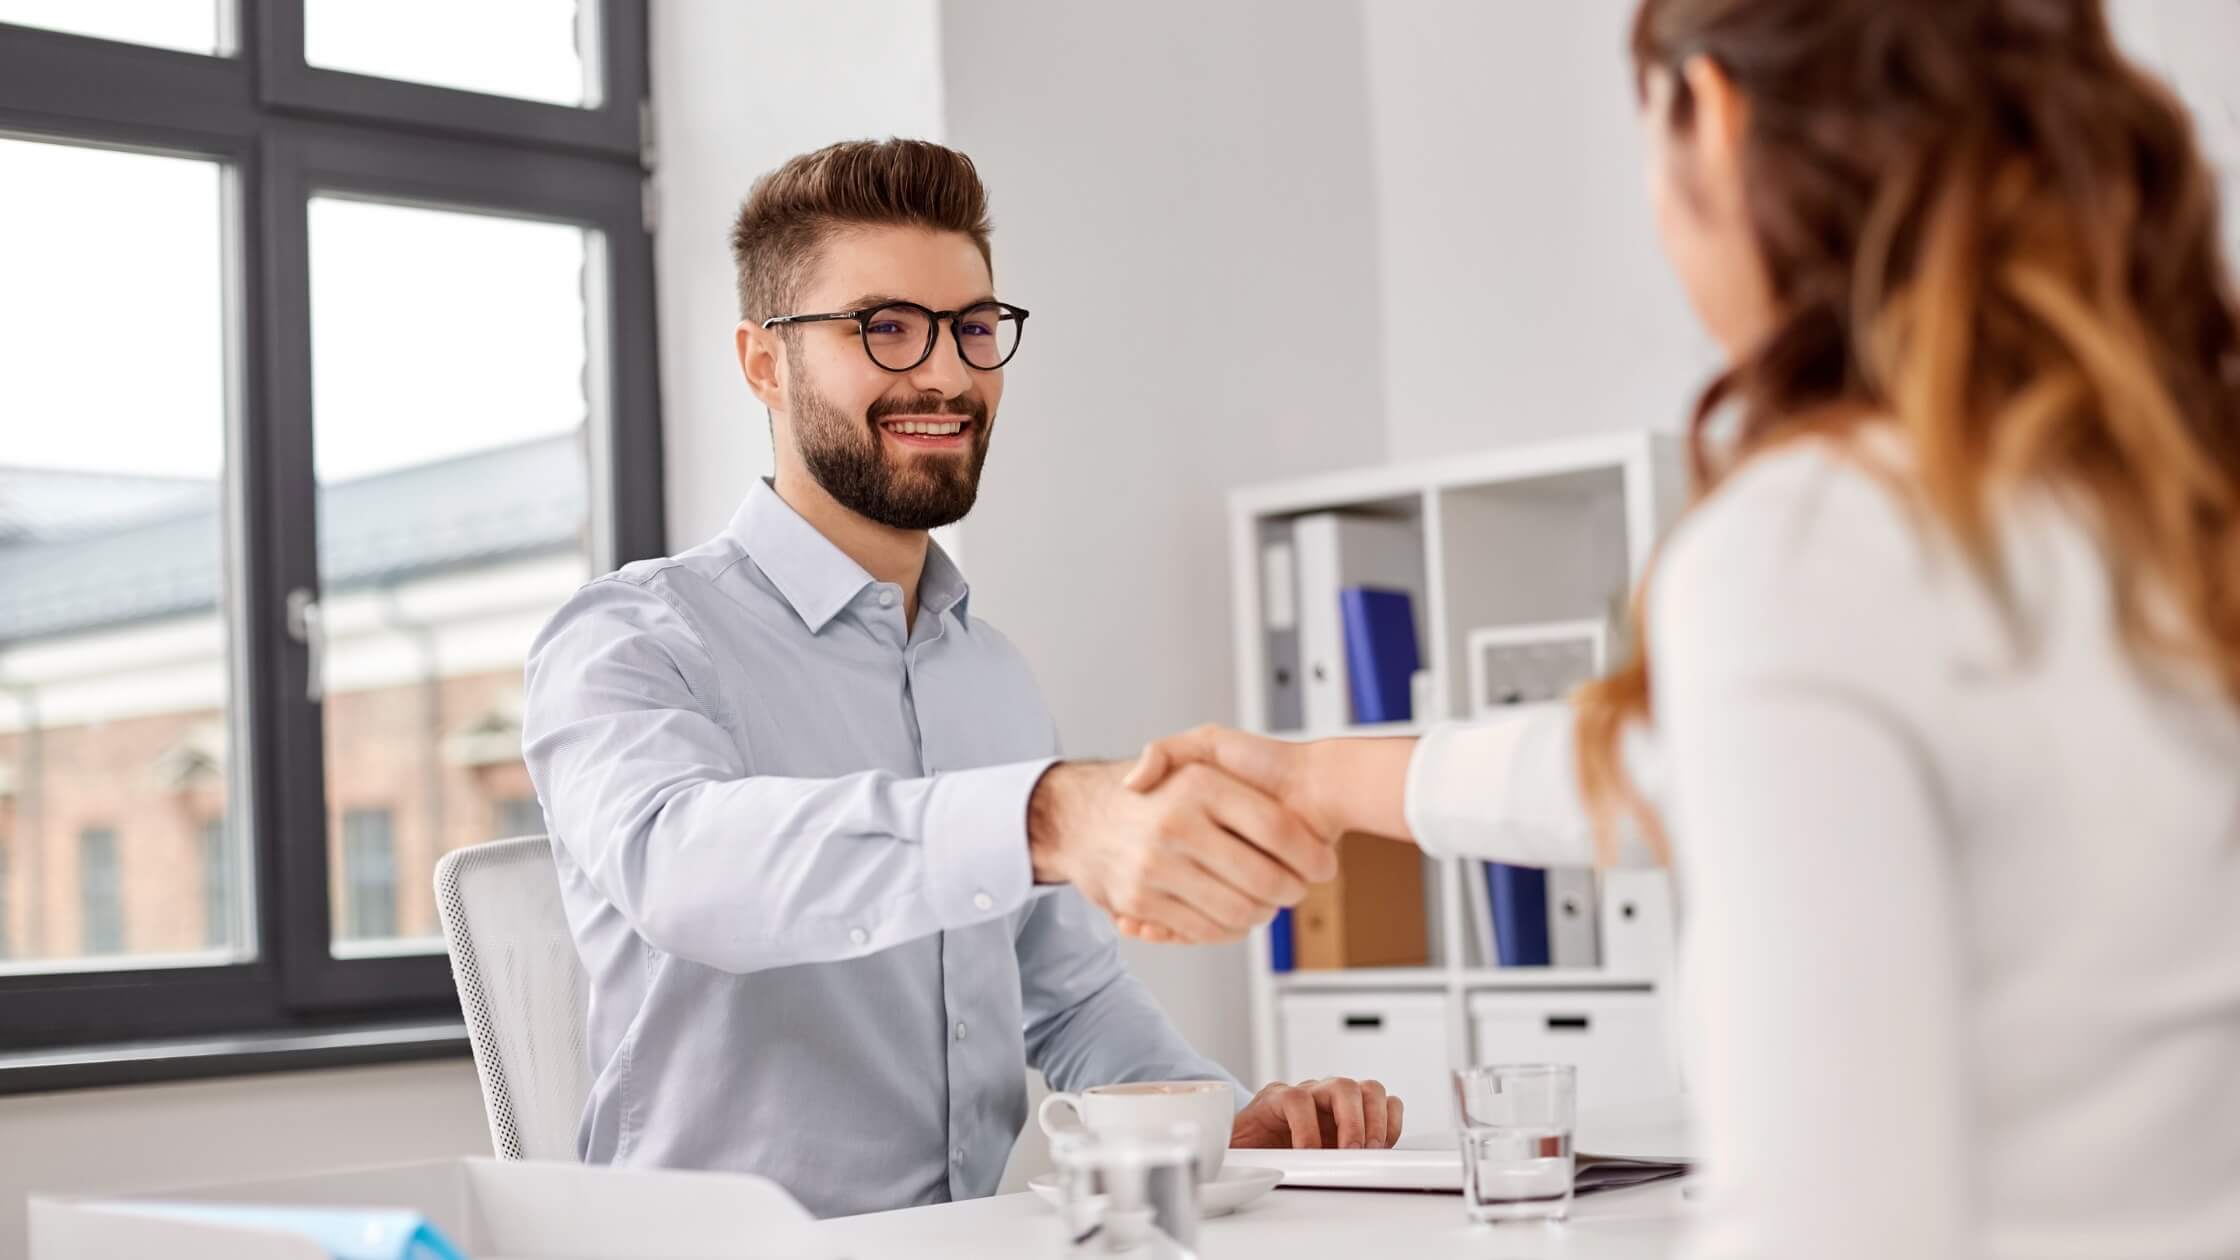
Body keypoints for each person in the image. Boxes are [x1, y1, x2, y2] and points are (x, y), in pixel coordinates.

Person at [1127, 2, 2240, 1256]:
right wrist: (1316, 778)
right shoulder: (2157, 504)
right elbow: (1665, 765)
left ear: (1708, 114)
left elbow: (1823, 1227)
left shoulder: (1813, 547)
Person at [521, 139, 1402, 1220]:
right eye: (883, 328)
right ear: (762, 363)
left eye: (971, 329)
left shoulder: (986, 672)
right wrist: (1037, 818)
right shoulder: (632, 638)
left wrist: (1222, 1125)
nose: (942, 373)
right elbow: (682, 870)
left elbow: (1069, 995)